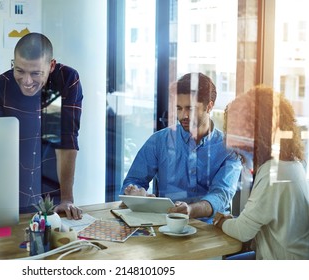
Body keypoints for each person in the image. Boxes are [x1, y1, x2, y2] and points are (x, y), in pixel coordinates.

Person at [0, 32, 83, 219]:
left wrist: (66, 199)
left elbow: (66, 140)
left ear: (51, 66)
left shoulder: (65, 80)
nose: (27, 81)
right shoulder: (0, 86)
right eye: (19, 70)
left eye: (35, 73)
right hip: (7, 195)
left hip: (51, 199)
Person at [121, 72, 242, 221]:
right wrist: (135, 193)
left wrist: (191, 210)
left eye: (190, 109)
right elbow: (134, 181)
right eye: (179, 108)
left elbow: (221, 194)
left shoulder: (229, 149)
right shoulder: (159, 141)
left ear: (209, 106)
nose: (183, 115)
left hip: (210, 232)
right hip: (166, 226)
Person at [213, 85, 309, 260]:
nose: (232, 143)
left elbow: (243, 232)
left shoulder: (275, 174)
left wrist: (221, 221)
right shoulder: (292, 164)